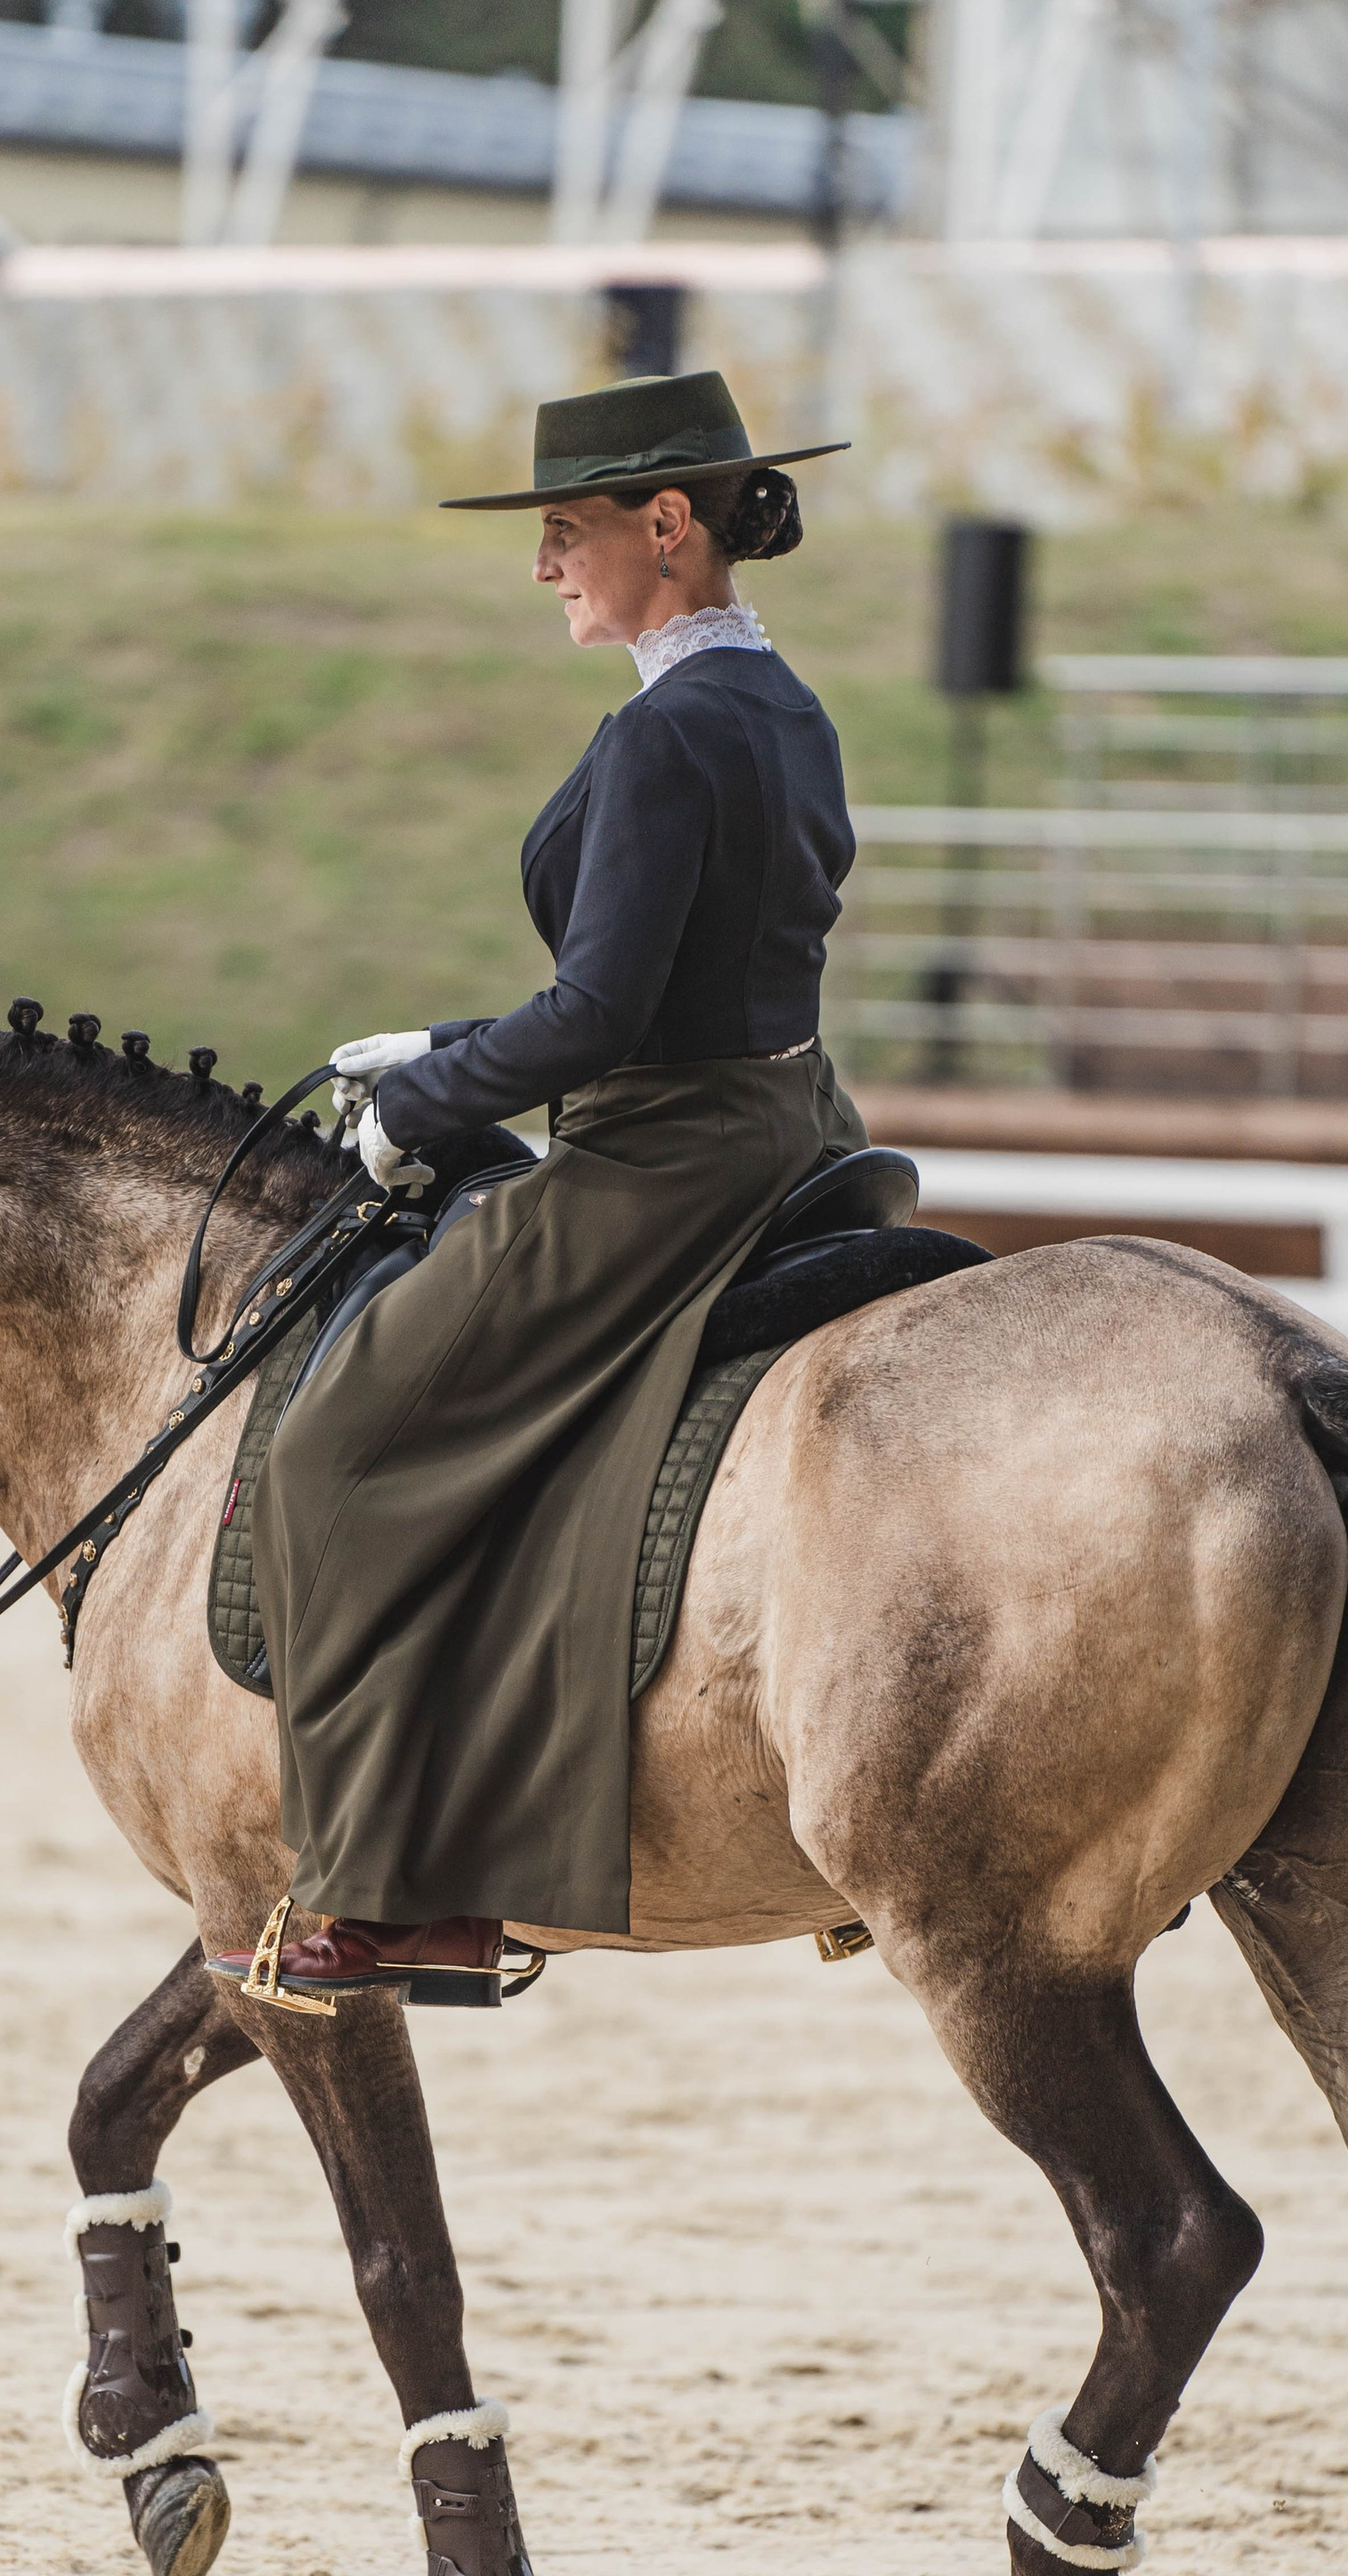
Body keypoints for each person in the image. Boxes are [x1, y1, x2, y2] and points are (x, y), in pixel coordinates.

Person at [208, 368, 866, 2011]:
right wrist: (441, 1040)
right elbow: (684, 977)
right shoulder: (785, 707)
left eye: (565, 531)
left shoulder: (666, 733)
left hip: (658, 1159)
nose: (542, 565)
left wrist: (423, 1099)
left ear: (668, 525)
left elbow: (600, 1018)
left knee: (337, 1448)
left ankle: (388, 1894)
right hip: (791, 1119)